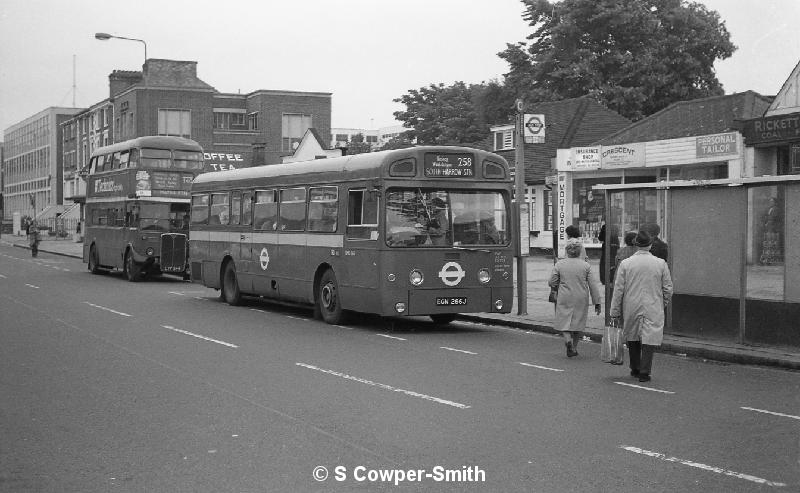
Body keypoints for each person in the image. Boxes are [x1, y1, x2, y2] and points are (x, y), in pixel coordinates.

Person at [609, 230, 673, 383]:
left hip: (631, 304)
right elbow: (668, 289)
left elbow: (618, 290)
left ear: (636, 245)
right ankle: (645, 372)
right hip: (653, 305)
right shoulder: (660, 264)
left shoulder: (626, 264)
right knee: (649, 338)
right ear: (650, 245)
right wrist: (662, 303)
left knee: (633, 335)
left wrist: (615, 311)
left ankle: (635, 367)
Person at [549, 241, 602, 357]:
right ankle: (574, 347)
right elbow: (593, 285)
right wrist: (597, 302)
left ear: (567, 252)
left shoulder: (559, 264)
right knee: (578, 322)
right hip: (581, 297)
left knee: (564, 320)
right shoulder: (586, 266)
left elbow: (551, 281)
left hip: (565, 296)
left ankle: (568, 341)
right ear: (579, 252)